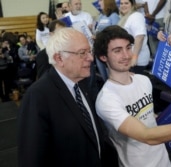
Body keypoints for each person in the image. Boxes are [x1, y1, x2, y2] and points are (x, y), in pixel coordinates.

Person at [93, 25, 171, 167]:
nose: (126, 55)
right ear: (103, 57)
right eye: (117, 51)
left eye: (128, 47)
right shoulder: (106, 100)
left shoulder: (143, 80)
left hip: (163, 159)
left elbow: (150, 118)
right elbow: (146, 135)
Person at [18, 27, 118, 167]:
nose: (90, 58)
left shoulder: (81, 82)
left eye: (89, 51)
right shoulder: (38, 96)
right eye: (82, 53)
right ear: (59, 58)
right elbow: (31, 158)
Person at [118, 0, 151, 75]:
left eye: (126, 3)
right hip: (129, 58)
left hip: (137, 60)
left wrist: (134, 57)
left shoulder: (136, 16)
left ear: (132, 5)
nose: (123, 5)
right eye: (121, 3)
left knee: (136, 84)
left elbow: (139, 37)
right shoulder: (126, 17)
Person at [94, 0, 120, 81]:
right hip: (99, 49)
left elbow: (116, 33)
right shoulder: (101, 16)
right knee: (105, 78)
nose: (98, 3)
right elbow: (97, 30)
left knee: (112, 77)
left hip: (108, 50)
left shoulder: (114, 16)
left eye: (101, 1)